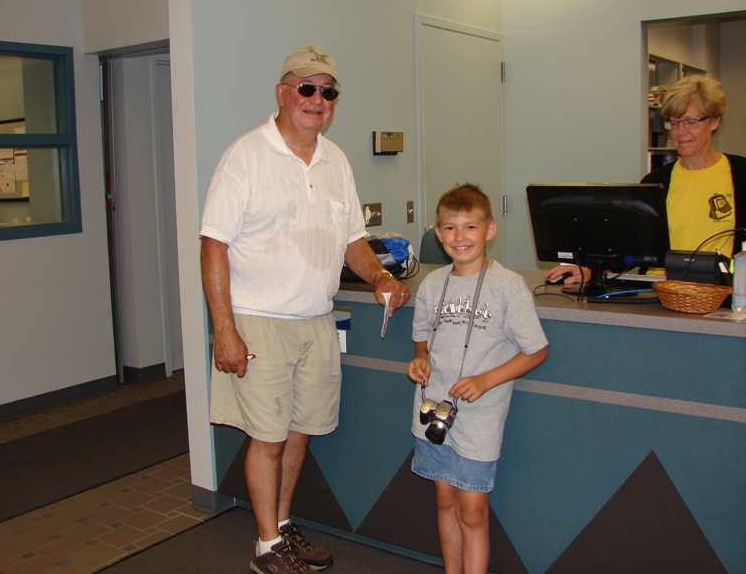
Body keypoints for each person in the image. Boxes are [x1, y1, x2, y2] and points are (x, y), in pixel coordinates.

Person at [200, 45, 410, 574]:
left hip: (316, 321)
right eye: (307, 88)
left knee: (299, 433)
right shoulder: (246, 156)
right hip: (259, 322)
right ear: (282, 92)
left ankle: (282, 526)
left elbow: (352, 241)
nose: (318, 99)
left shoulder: (336, 160)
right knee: (268, 439)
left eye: (328, 91)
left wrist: (381, 276)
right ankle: (266, 547)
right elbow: (213, 245)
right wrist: (225, 330)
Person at [407, 184, 548, 574]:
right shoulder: (432, 284)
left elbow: (536, 350)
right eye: (450, 228)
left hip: (480, 418)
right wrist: (420, 360)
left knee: (471, 510)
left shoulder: (507, 286)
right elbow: (422, 338)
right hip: (432, 412)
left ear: (489, 230)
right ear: (439, 234)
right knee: (444, 499)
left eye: (470, 227)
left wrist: (486, 380)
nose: (460, 237)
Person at [545, 74, 746, 285]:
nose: (681, 132)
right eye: (674, 123)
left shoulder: (740, 174)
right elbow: (630, 248)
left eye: (690, 122)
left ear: (714, 121)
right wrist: (591, 270)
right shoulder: (656, 182)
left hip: (719, 295)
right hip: (658, 291)